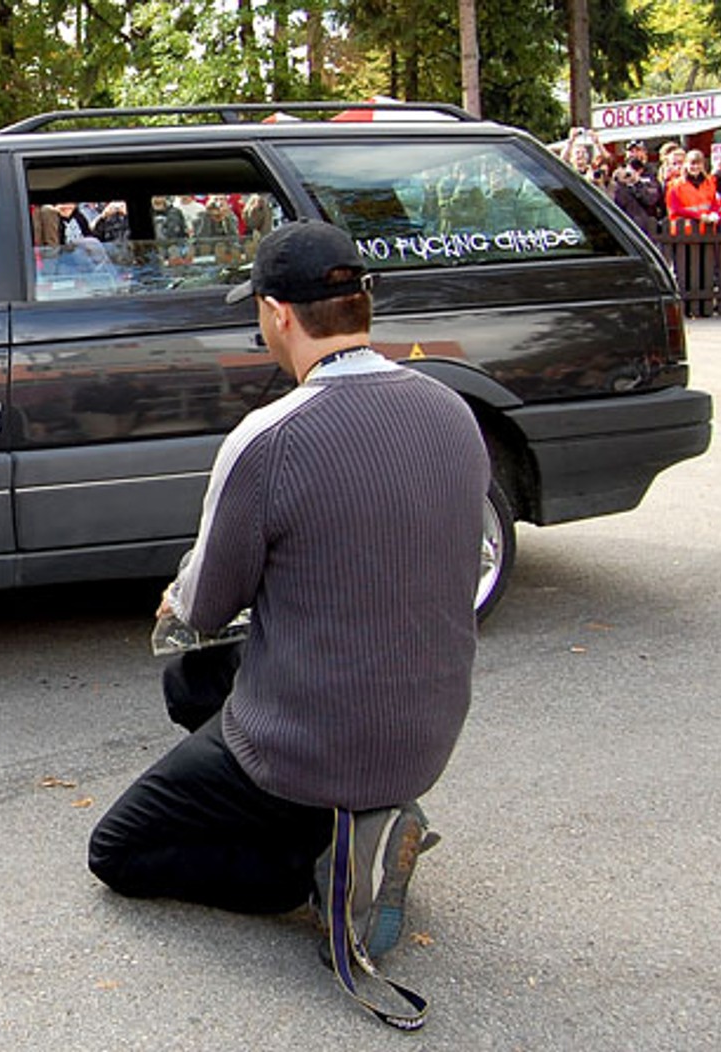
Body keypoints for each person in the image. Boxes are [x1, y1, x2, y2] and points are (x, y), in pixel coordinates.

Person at [86, 221, 488, 1028]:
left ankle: (318, 862)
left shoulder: (270, 437)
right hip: (427, 732)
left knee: (119, 851)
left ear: (277, 314)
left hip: (313, 737)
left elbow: (204, 606)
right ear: (360, 303)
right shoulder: (453, 410)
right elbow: (470, 555)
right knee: (190, 686)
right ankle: (373, 812)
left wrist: (180, 596)